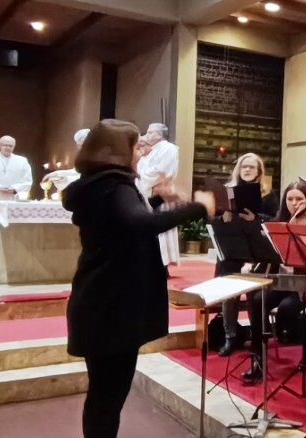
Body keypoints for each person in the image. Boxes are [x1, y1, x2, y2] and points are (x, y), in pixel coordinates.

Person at [62, 119, 207, 438]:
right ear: (119, 150)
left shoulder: (96, 184)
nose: (142, 153)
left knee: (102, 395)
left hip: (98, 300)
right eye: (137, 147)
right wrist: (197, 207)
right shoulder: (115, 185)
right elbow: (141, 224)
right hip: (112, 307)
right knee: (108, 398)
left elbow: (119, 222)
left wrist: (158, 200)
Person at [241, 182, 306, 381]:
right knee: (257, 300)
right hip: (287, 281)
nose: (294, 203)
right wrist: (251, 261)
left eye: (299, 199)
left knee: (288, 308)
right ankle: (257, 359)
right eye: (290, 199)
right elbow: (265, 253)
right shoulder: (279, 223)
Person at [216, 153, 280, 357]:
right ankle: (230, 337)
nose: (247, 170)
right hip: (232, 249)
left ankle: (256, 336)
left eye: (252, 167)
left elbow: (275, 220)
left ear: (259, 171)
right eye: (244, 166)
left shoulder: (267, 194)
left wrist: (256, 218)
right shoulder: (228, 191)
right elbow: (213, 219)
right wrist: (222, 215)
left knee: (254, 296)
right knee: (229, 295)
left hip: (255, 251)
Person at [136, 123, 181, 268]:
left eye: (150, 132)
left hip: (160, 191)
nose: (146, 135)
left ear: (159, 135)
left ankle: (162, 264)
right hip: (147, 191)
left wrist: (141, 176)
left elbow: (162, 171)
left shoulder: (169, 149)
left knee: (161, 229)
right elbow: (140, 167)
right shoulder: (149, 150)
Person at [43, 128, 89, 194]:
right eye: (79, 145)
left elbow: (90, 178)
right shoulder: (83, 157)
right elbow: (77, 171)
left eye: (83, 145)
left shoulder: (99, 157)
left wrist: (68, 180)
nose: (80, 148)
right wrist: (56, 174)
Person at [0, 135, 33, 200]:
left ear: (14, 146)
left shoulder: (22, 161)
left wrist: (14, 188)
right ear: (0, 145)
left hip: (14, 198)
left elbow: (27, 180)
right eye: (5, 145)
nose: (8, 148)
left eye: (11, 146)